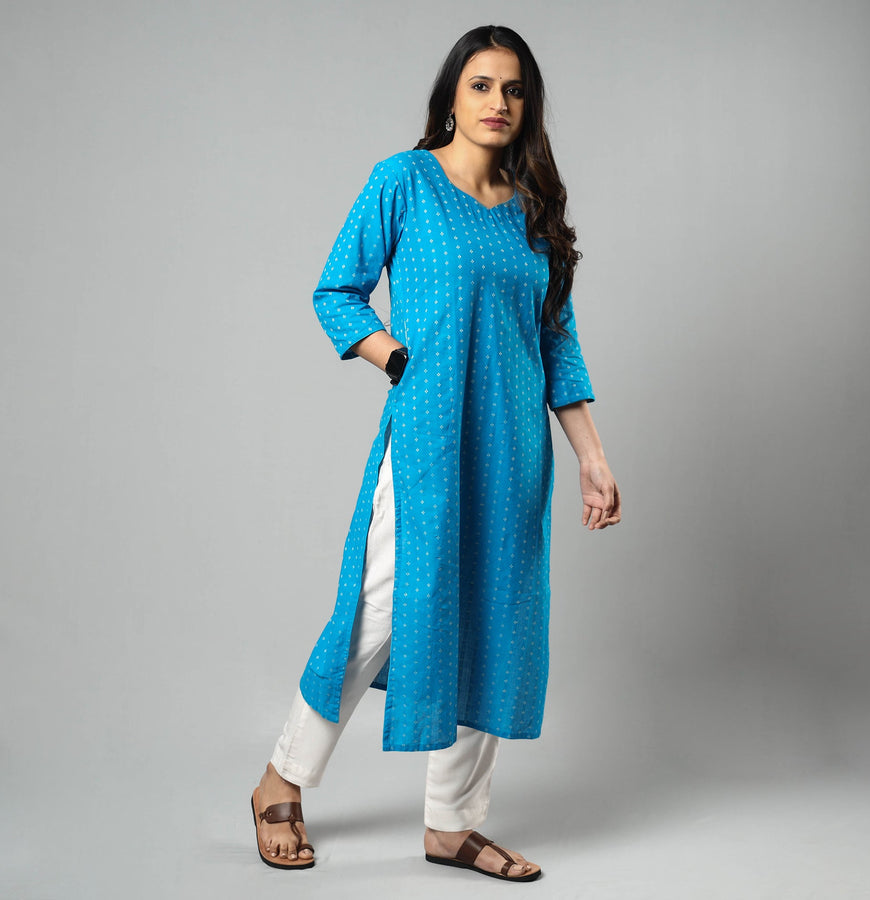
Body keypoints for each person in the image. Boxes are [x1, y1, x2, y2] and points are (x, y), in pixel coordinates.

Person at [251, 24, 621, 882]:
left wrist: (593, 457)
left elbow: (556, 342)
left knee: (496, 613)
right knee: (382, 609)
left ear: (527, 107)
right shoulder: (404, 181)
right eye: (482, 85)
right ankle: (282, 776)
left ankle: (454, 824)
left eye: (514, 89)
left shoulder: (532, 212)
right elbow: (337, 289)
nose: (498, 102)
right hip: (429, 436)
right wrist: (393, 357)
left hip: (515, 447)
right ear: (452, 95)